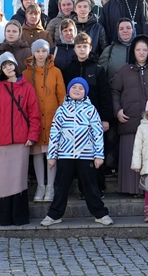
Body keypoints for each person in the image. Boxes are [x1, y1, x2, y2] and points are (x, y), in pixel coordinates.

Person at [41, 78, 113, 227]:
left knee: (90, 186)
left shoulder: (90, 110)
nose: (77, 90)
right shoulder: (61, 110)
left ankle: (100, 214)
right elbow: (54, 133)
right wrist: (52, 155)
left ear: (85, 92)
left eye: (81, 88)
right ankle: (54, 215)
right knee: (61, 187)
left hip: (86, 155)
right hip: (65, 155)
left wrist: (99, 155)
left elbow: (97, 133)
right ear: (68, 90)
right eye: (74, 87)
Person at [0, 52, 41, 226]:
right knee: (2, 179)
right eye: (4, 66)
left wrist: (32, 135)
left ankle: (19, 216)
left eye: (10, 64)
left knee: (18, 179)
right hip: (0, 141)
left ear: (15, 65)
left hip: (21, 141)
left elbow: (34, 114)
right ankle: (4, 216)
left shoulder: (27, 88)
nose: (8, 68)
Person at [111, 35, 148, 195]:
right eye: (138, 49)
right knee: (132, 155)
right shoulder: (123, 70)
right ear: (133, 51)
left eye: (145, 50)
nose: (141, 52)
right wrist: (117, 110)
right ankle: (131, 189)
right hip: (129, 122)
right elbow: (115, 92)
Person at [62, 32, 116, 185]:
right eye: (79, 46)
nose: (82, 49)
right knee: (78, 156)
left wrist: (105, 118)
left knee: (95, 154)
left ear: (90, 48)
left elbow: (105, 95)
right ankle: (81, 188)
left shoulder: (97, 69)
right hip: (73, 122)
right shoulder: (68, 69)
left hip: (94, 120)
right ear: (74, 48)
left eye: (84, 46)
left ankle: (98, 188)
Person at [23, 39, 66, 203]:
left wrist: (62, 116)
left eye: (43, 51)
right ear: (33, 53)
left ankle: (50, 186)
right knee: (37, 153)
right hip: (34, 119)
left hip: (52, 118)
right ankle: (41, 185)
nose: (41, 54)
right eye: (37, 51)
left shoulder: (56, 72)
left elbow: (61, 96)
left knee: (51, 153)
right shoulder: (26, 74)